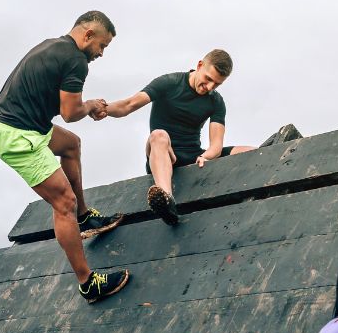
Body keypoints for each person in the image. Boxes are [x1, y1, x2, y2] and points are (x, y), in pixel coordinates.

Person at [0, 11, 129, 303]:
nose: (101, 54)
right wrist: (90, 105)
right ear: (88, 35)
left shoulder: (52, 45)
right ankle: (87, 283)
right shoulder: (76, 61)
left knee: (71, 145)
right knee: (62, 201)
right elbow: (70, 113)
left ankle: (83, 217)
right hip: (17, 136)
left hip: (22, 125)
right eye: (102, 46)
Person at [102, 50, 255, 225]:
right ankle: (167, 200)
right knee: (158, 135)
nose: (210, 87)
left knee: (251, 151)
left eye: (217, 84)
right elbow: (128, 105)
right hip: (164, 154)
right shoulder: (169, 83)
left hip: (194, 156)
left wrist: (206, 156)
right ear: (199, 66)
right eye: (208, 79)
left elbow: (216, 145)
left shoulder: (216, 101)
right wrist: (104, 109)